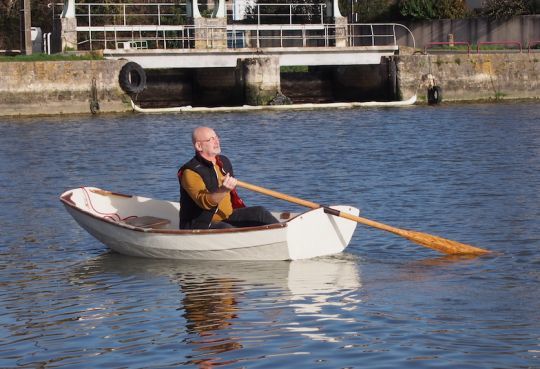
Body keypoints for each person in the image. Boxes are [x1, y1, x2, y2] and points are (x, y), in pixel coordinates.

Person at [178, 126, 280, 230]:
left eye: (216, 137)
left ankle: (281, 232)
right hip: (200, 223)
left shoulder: (224, 161)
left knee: (259, 212)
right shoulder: (190, 172)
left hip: (227, 216)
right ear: (199, 146)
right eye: (210, 139)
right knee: (228, 229)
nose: (216, 141)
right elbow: (205, 203)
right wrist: (224, 189)